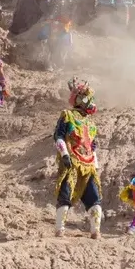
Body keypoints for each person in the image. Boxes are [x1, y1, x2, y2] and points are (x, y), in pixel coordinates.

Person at [54, 78, 102, 238]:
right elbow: (59, 137)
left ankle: (94, 231)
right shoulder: (69, 116)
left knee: (92, 198)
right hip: (76, 162)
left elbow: (92, 146)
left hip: (84, 163)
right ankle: (61, 229)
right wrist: (65, 154)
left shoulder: (90, 123)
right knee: (68, 194)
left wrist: (94, 164)